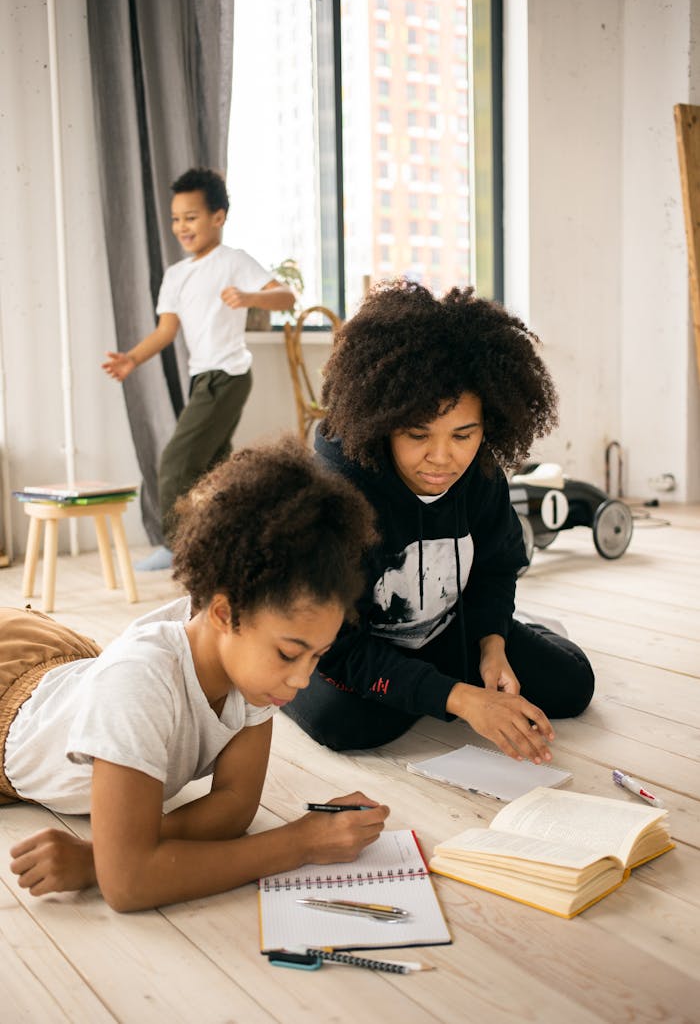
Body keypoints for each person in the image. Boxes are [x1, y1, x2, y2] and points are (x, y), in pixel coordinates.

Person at [2, 437, 388, 912]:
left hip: (64, 673)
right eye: (290, 654)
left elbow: (233, 809)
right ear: (224, 614)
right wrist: (300, 844)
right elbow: (129, 886)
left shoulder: (250, 672)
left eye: (317, 656)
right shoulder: (139, 681)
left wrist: (102, 855)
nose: (301, 680)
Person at [285, 280, 595, 763]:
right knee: (347, 725)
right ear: (382, 420)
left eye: (464, 434)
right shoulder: (337, 493)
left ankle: (476, 658)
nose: (442, 458)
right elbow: (342, 648)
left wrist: (493, 645)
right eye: (417, 434)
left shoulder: (480, 469)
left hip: (446, 628)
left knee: (572, 686)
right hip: (356, 644)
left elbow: (495, 565)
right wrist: (463, 699)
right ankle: (436, 685)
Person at [102, 167, 296, 571]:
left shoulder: (234, 262)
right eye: (175, 219)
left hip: (228, 374)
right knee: (214, 468)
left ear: (218, 217)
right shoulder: (175, 276)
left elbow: (285, 297)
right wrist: (132, 359)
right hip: (202, 377)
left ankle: (176, 548)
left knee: (176, 460)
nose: (181, 227)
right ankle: (221, 543)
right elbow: (166, 330)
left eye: (190, 217)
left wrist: (248, 296)